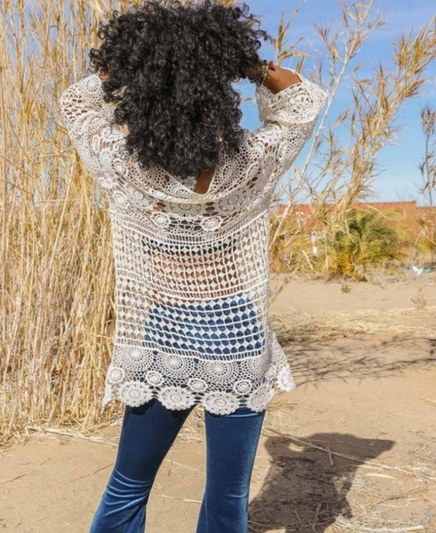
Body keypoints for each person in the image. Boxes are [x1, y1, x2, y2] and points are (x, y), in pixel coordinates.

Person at [59, 1, 329, 531]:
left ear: (143, 97)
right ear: (220, 97)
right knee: (228, 498)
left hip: (163, 330)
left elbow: (76, 102)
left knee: (128, 486)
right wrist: (243, 62)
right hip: (236, 333)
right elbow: (300, 100)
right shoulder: (251, 163)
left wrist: (136, 60)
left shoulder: (121, 162)